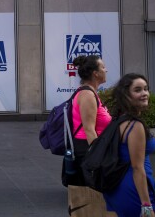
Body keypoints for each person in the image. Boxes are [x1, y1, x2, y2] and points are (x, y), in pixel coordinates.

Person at [103, 73, 155, 217]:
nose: (144, 94)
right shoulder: (134, 125)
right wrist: (146, 206)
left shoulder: (120, 119)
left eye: (146, 89)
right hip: (135, 189)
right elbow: (137, 168)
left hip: (121, 186)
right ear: (126, 95)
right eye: (138, 90)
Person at [65, 55, 112, 216]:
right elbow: (89, 130)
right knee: (90, 199)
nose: (106, 70)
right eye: (103, 67)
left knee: (93, 200)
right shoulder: (87, 95)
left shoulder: (91, 93)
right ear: (95, 73)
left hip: (88, 149)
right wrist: (98, 158)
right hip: (86, 150)